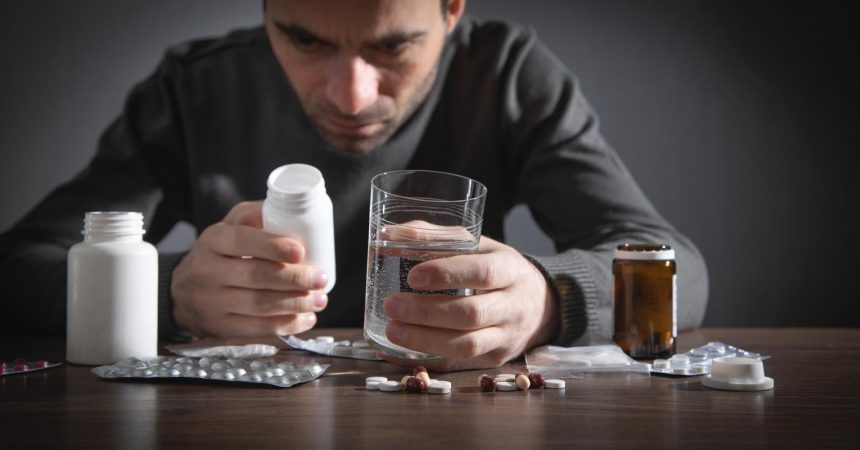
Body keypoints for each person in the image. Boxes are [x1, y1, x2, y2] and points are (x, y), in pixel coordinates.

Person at [0, 0, 708, 370]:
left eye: (393, 45)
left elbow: (680, 269)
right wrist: (171, 291)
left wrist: (549, 300)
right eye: (305, 40)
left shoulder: (509, 75)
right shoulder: (195, 86)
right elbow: (16, 267)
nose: (350, 95)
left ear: (451, 9)